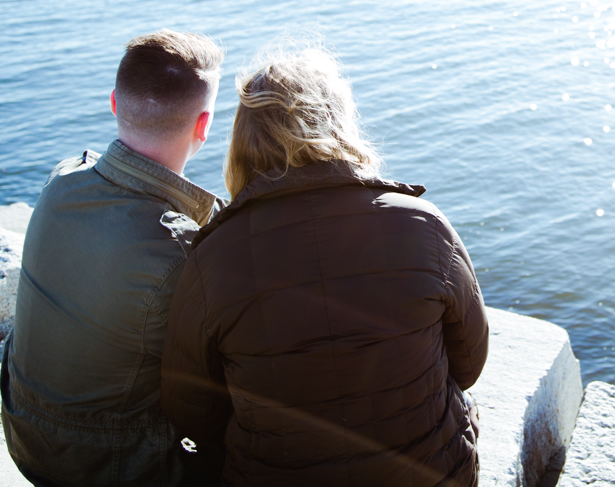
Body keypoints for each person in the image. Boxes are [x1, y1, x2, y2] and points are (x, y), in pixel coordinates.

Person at [161, 48, 489, 486]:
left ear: (242, 142)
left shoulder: (211, 257)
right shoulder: (422, 224)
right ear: (338, 123)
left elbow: (193, 411)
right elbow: (469, 362)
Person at [1, 30, 225, 486]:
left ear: (113, 103)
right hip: (109, 466)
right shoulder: (181, 251)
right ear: (204, 126)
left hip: (23, 432)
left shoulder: (61, 180)